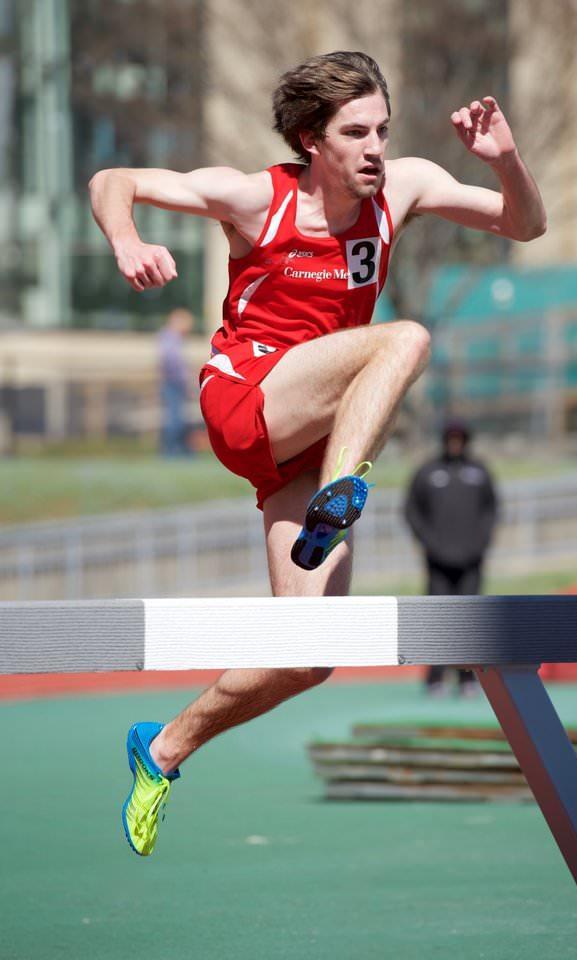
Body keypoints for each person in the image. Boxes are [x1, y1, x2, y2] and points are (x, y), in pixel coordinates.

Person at [88, 50, 546, 855]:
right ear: (311, 139)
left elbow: (524, 225)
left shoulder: (400, 187)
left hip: (304, 442)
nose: (375, 149)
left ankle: (160, 750)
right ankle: (343, 491)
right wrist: (125, 240)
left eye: (383, 131)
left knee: (309, 655)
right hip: (245, 400)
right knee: (404, 338)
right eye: (355, 133)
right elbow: (111, 180)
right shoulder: (253, 197)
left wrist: (505, 158)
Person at [404, 418, 499, 695]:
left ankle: (467, 679)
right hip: (438, 561)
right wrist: (428, 543)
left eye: (460, 438)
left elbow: (491, 509)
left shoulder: (479, 472)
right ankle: (435, 678)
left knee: (470, 618)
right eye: (451, 438)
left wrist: (481, 542)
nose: (455, 443)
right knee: (438, 618)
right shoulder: (428, 472)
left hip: (471, 560)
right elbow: (411, 511)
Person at [157, 307, 194, 456]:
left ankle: (177, 449)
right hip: (173, 383)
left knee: (177, 417)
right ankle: (172, 451)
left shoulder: (172, 338)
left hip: (175, 383)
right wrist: (185, 379)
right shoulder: (169, 338)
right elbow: (171, 362)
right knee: (174, 418)